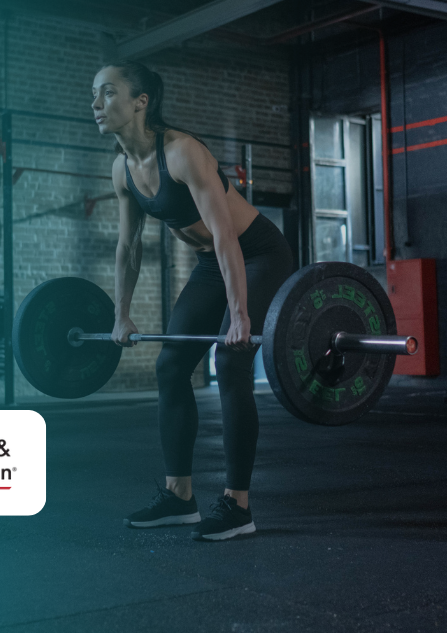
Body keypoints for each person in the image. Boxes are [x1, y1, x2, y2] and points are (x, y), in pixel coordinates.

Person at [93, 61, 295, 541]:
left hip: (258, 253)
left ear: (141, 102)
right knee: (170, 366)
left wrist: (241, 315)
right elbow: (129, 246)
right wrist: (120, 314)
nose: (96, 104)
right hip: (211, 263)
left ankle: (237, 506)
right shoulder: (122, 167)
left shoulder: (184, 153)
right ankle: (179, 496)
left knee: (231, 359)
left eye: (108, 93)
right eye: (94, 95)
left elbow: (226, 235)